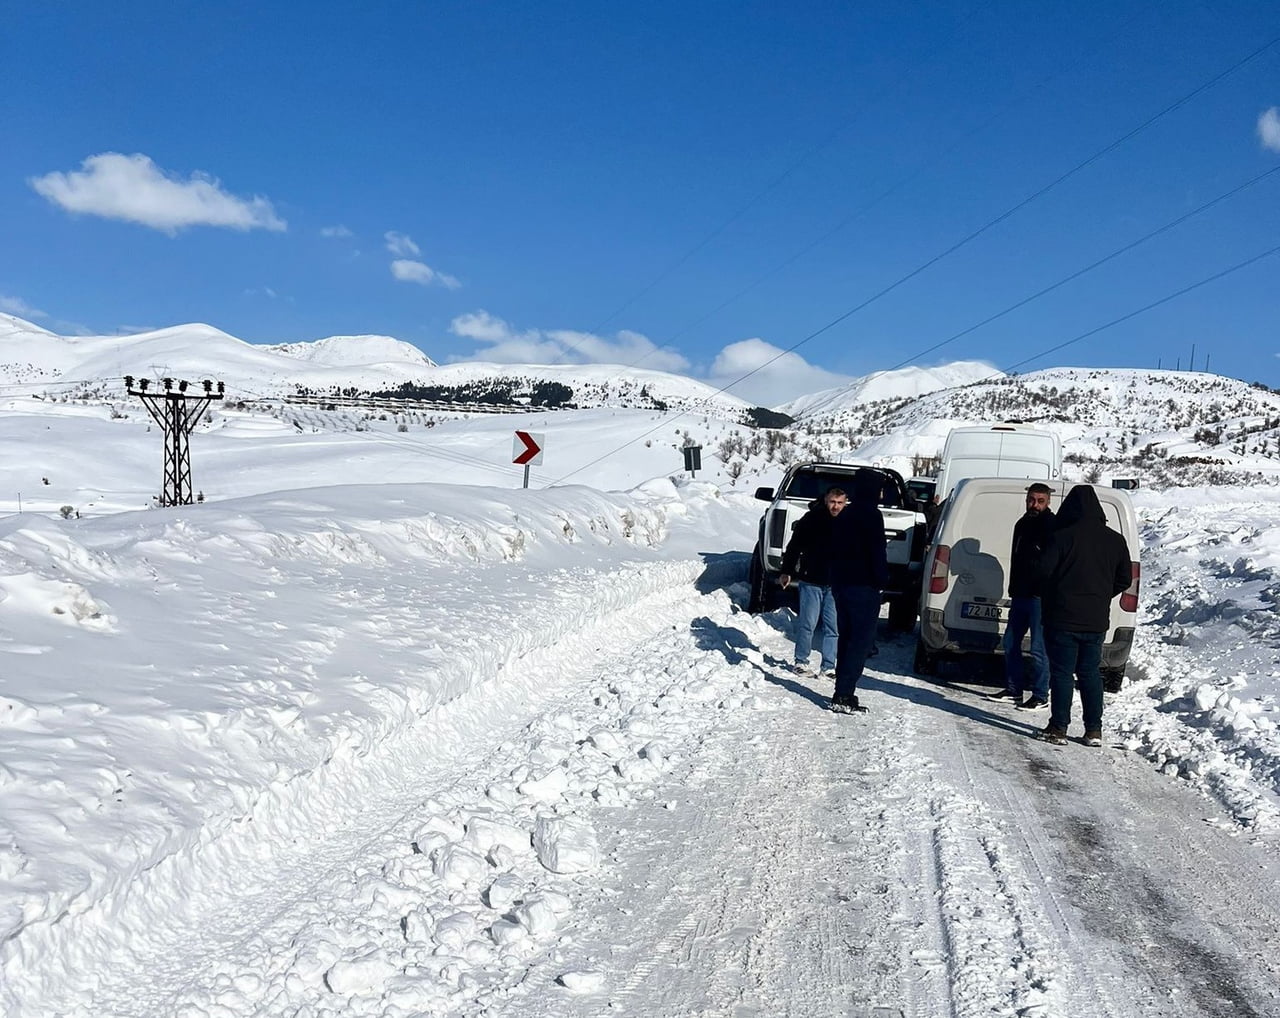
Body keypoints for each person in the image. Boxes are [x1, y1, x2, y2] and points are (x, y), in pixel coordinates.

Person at [1035, 484, 1132, 747]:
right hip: (1096, 619)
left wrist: (1056, 594)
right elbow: (1124, 579)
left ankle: (1058, 728)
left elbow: (1043, 573)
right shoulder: (1115, 540)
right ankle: (1093, 730)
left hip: (1062, 617)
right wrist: (1101, 594)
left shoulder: (1062, 537)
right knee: (1090, 673)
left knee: (1063, 673)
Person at [987, 483, 1054, 710]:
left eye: (1040, 501)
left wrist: (1042, 589)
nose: (1034, 504)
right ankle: (1014, 689)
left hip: (1039, 598)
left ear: (1048, 502)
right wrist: (1014, 587)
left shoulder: (1051, 526)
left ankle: (1040, 694)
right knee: (1010, 642)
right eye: (1031, 499)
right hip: (1020, 595)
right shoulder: (1022, 524)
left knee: (1037, 648)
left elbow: (1051, 564)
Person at [828, 469, 889, 714]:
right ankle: (844, 694)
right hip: (863, 587)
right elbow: (877, 552)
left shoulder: (846, 513)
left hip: (841, 585)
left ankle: (842, 690)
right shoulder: (872, 516)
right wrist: (881, 579)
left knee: (847, 639)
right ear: (873, 490)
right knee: (860, 643)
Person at [779, 488, 848, 676]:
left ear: (845, 502)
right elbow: (794, 546)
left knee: (832, 627)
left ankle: (828, 666)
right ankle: (801, 661)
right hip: (811, 580)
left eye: (840, 503)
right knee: (807, 623)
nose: (835, 506)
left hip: (835, 583)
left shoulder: (848, 522)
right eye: (832, 502)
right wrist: (787, 571)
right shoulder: (811, 519)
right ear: (826, 500)